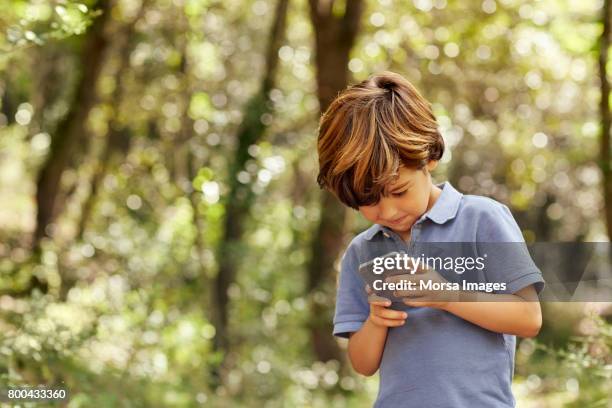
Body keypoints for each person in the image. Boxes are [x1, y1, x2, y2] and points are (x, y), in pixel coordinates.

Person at [316, 71, 545, 407]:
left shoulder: (482, 220)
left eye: (398, 191)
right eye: (369, 201)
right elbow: (363, 364)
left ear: (429, 157)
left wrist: (447, 296)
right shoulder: (362, 252)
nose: (389, 211)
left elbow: (528, 319)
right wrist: (376, 322)